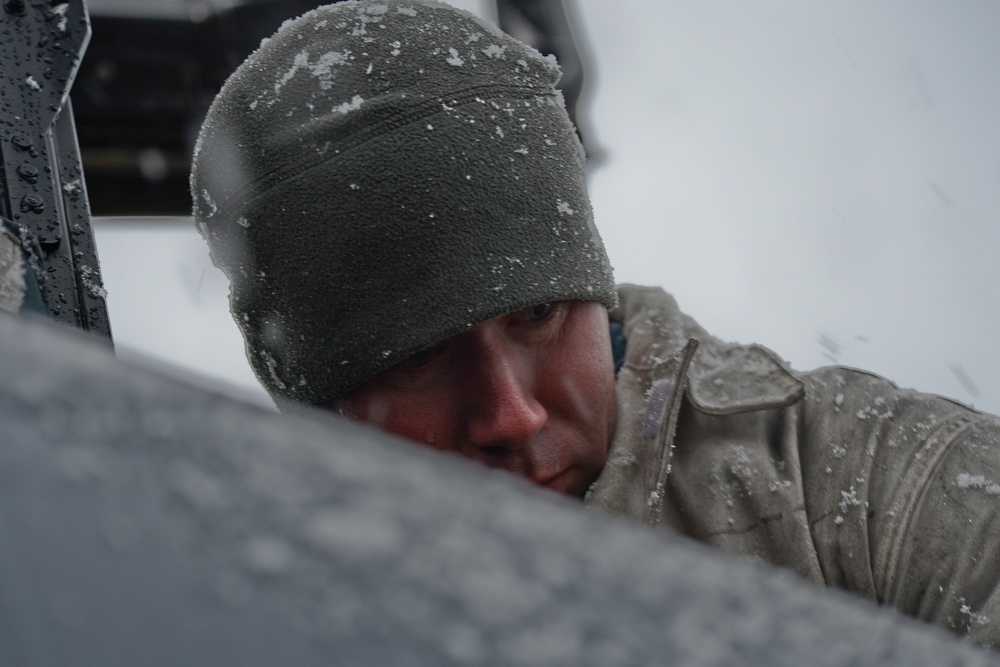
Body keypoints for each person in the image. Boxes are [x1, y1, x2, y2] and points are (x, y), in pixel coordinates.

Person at [191, 0, 1000, 647]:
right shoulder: (228, 595)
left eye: (537, 313)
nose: (511, 413)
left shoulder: (840, 477)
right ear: (314, 403)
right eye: (419, 355)